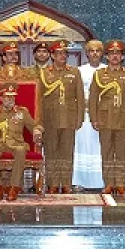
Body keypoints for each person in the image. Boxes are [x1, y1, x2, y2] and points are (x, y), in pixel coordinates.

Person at [0, 83, 42, 200]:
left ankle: (13, 187)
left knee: (20, 150)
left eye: (12, 97)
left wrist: (37, 131)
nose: (10, 99)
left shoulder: (22, 112)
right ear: (1, 98)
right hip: (0, 143)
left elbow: (34, 125)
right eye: (7, 97)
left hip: (17, 143)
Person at [88, 39, 125, 198]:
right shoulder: (99, 75)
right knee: (107, 153)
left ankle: (121, 184)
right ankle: (108, 183)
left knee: (122, 153)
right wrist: (94, 118)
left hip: (124, 119)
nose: (115, 57)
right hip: (105, 119)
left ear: (123, 57)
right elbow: (93, 98)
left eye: (118, 54)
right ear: (107, 57)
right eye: (111, 54)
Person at [36, 40, 82, 193]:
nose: (62, 56)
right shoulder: (44, 73)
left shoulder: (74, 72)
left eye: (64, 53)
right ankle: (53, 183)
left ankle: (67, 184)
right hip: (50, 118)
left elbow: (80, 97)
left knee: (67, 152)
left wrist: (79, 118)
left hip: (69, 118)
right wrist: (39, 121)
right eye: (59, 53)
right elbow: (38, 99)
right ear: (52, 56)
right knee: (51, 152)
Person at [72, 39, 106, 191]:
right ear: (87, 53)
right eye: (91, 51)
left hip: (103, 117)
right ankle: (80, 181)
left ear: (102, 54)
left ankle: (100, 181)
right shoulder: (79, 71)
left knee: (99, 147)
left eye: (98, 51)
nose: (95, 54)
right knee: (81, 146)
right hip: (84, 117)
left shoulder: (107, 70)